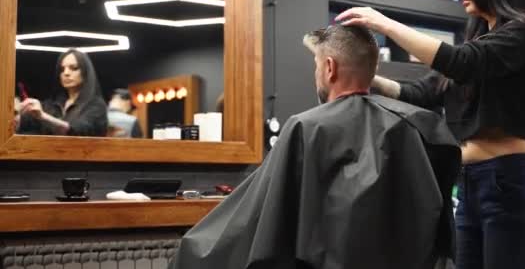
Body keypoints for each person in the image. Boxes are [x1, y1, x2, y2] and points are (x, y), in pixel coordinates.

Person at [335, 0, 525, 269]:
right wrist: (362, 77)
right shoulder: (478, 46)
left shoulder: (523, 35)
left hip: (512, 183)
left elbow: (460, 62)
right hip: (469, 182)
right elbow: (416, 94)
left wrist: (384, 24)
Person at [169, 25, 461, 269]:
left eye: (317, 65)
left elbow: (259, 228)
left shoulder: (305, 127)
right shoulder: (419, 125)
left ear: (329, 68)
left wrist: (190, 250)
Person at [18, 49, 108, 136]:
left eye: (74, 68)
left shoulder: (96, 105)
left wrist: (43, 116)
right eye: (62, 69)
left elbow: (77, 131)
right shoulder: (51, 104)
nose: (66, 73)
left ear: (85, 72)